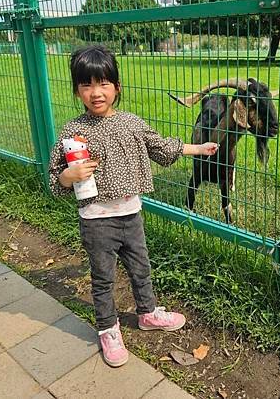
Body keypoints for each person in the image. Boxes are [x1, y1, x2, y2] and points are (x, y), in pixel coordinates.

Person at [48, 44, 218, 368]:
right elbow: (55, 178)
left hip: (131, 214)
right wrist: (69, 176)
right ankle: (108, 330)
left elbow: (159, 145)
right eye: (87, 85)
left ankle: (147, 313)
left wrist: (196, 148)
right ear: (77, 89)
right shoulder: (73, 132)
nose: (96, 93)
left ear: (117, 87)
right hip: (96, 220)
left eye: (103, 84)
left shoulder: (130, 123)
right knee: (103, 278)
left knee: (141, 268)